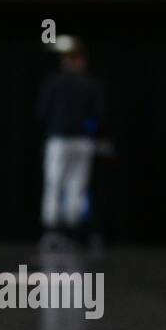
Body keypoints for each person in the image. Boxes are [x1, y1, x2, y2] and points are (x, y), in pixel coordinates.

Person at [36, 40, 104, 247]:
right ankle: (62, 231)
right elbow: (98, 115)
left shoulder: (60, 82)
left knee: (59, 183)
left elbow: (41, 111)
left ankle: (61, 231)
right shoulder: (86, 83)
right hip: (76, 140)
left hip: (64, 140)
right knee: (72, 185)